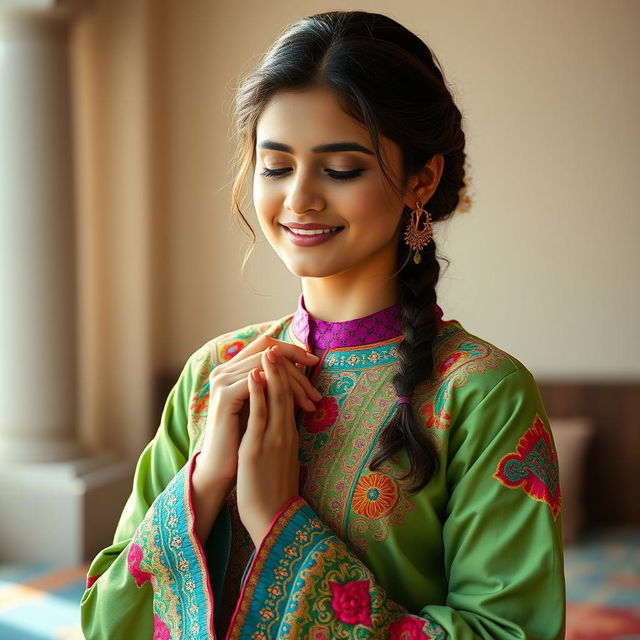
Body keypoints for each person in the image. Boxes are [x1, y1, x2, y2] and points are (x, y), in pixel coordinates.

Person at [80, 10, 565, 639]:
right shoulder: (211, 377)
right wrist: (202, 484)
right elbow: (104, 623)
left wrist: (279, 521)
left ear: (423, 177)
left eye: (341, 169)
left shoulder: (481, 394)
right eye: (276, 166)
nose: (300, 198)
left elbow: (508, 631)